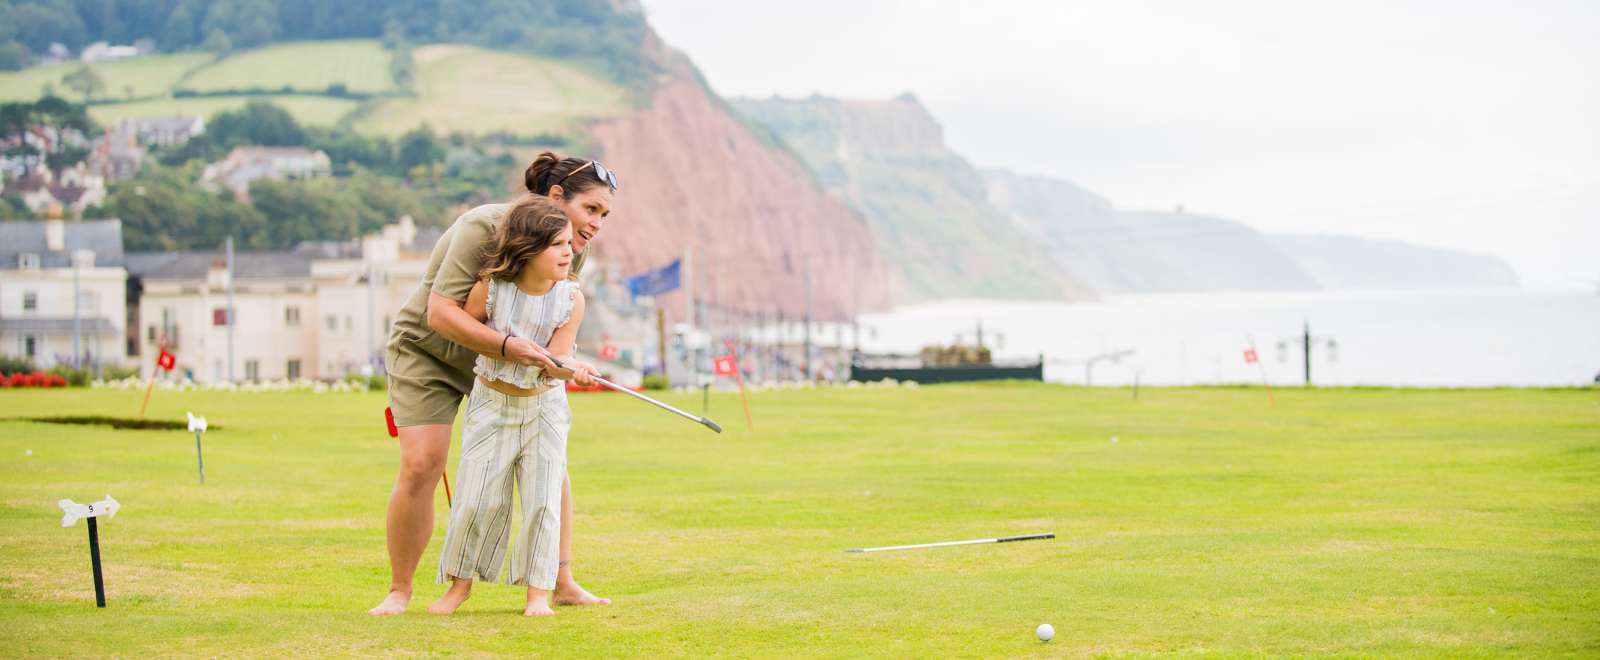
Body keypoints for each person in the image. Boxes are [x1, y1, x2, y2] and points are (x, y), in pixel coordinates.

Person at [370, 153, 619, 616]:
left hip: (508, 369)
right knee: (423, 463)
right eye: (591, 210)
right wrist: (509, 348)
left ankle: (559, 580)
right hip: (432, 353)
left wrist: (565, 365)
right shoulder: (482, 228)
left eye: (604, 215)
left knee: (550, 463)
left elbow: (558, 321)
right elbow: (441, 314)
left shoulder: (571, 252)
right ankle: (399, 592)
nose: (596, 225)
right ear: (556, 196)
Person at [427, 197, 597, 616]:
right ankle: (458, 587)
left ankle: (538, 594)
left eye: (566, 243)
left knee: (543, 500)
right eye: (556, 244)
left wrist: (573, 368)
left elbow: (556, 363)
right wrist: (509, 350)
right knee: (477, 498)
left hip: (545, 410)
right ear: (527, 248)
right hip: (492, 403)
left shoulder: (571, 299)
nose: (568, 251)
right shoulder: (491, 289)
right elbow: (469, 333)